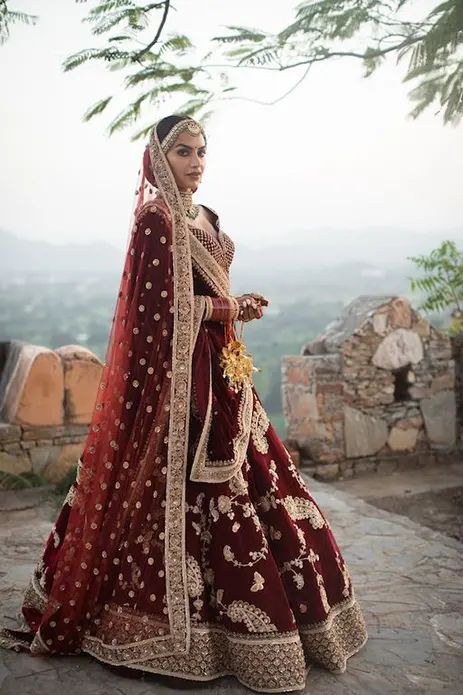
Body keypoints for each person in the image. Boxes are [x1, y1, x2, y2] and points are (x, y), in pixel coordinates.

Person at [0, 115, 367, 692]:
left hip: (225, 373)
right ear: (158, 158)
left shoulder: (205, 215)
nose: (196, 163)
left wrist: (233, 312)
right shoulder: (156, 220)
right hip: (181, 385)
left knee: (259, 480)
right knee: (191, 493)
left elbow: (206, 286)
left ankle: (285, 622)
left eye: (202, 152)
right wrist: (230, 309)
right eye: (183, 153)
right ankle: (188, 632)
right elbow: (153, 318)